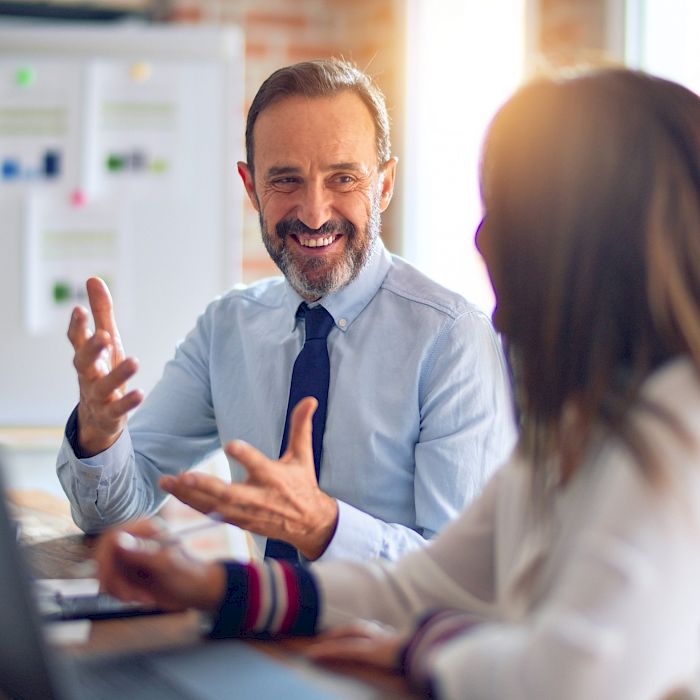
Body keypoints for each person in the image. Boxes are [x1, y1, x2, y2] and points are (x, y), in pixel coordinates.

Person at [95, 67, 700, 699]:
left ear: (598, 245)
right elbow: (421, 586)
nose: (481, 238)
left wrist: (424, 652)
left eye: (511, 215)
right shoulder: (576, 427)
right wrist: (213, 587)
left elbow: (573, 680)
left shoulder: (674, 433)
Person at [57, 58, 516, 562]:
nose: (314, 213)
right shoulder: (226, 329)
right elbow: (114, 512)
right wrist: (100, 437)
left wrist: (325, 529)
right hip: (259, 632)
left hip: (390, 640)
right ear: (251, 187)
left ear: (383, 185)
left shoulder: (451, 339)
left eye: (343, 178)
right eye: (285, 180)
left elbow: (464, 574)